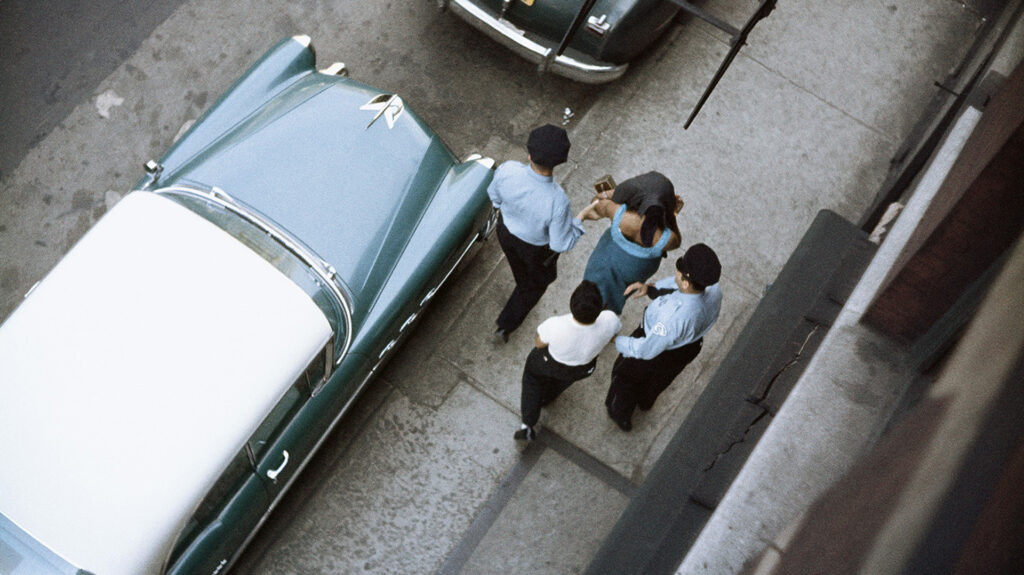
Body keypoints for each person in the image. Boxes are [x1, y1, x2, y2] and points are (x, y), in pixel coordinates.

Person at [488, 124, 595, 342]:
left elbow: (495, 198)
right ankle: (505, 325)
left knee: (519, 269)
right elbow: (560, 244)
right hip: (534, 249)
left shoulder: (507, 170)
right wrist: (581, 219)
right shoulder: (558, 201)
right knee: (535, 285)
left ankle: (521, 284)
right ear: (558, 162)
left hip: (505, 232)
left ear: (529, 153)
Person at [605, 243, 722, 431]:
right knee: (659, 380)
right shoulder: (713, 288)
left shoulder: (672, 318)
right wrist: (651, 289)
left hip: (659, 346)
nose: (676, 273)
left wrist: (614, 340)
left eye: (679, 271)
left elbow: (644, 349)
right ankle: (645, 402)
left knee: (625, 375)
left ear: (685, 282)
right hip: (687, 348)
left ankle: (619, 412)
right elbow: (676, 286)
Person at [515, 280, 622, 441]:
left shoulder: (556, 324)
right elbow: (614, 334)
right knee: (560, 383)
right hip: (581, 368)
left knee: (533, 380)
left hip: (547, 362)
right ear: (600, 307)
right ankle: (546, 398)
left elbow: (539, 344)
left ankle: (527, 425)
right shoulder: (610, 319)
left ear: (572, 303)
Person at [581, 191, 681, 314]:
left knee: (589, 297)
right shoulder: (665, 239)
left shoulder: (621, 214)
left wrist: (612, 193)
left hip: (602, 265)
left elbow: (596, 203)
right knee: (620, 293)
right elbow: (676, 239)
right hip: (638, 268)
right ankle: (609, 313)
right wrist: (672, 215)